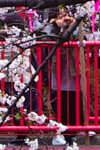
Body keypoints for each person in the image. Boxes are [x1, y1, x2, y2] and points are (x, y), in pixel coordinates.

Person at [36, 11, 85, 140]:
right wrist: (54, 26)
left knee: (75, 102)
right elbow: (44, 38)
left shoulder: (78, 24)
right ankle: (62, 130)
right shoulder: (53, 26)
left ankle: (75, 130)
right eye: (61, 15)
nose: (64, 18)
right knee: (59, 102)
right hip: (57, 69)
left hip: (73, 70)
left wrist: (73, 24)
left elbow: (80, 38)